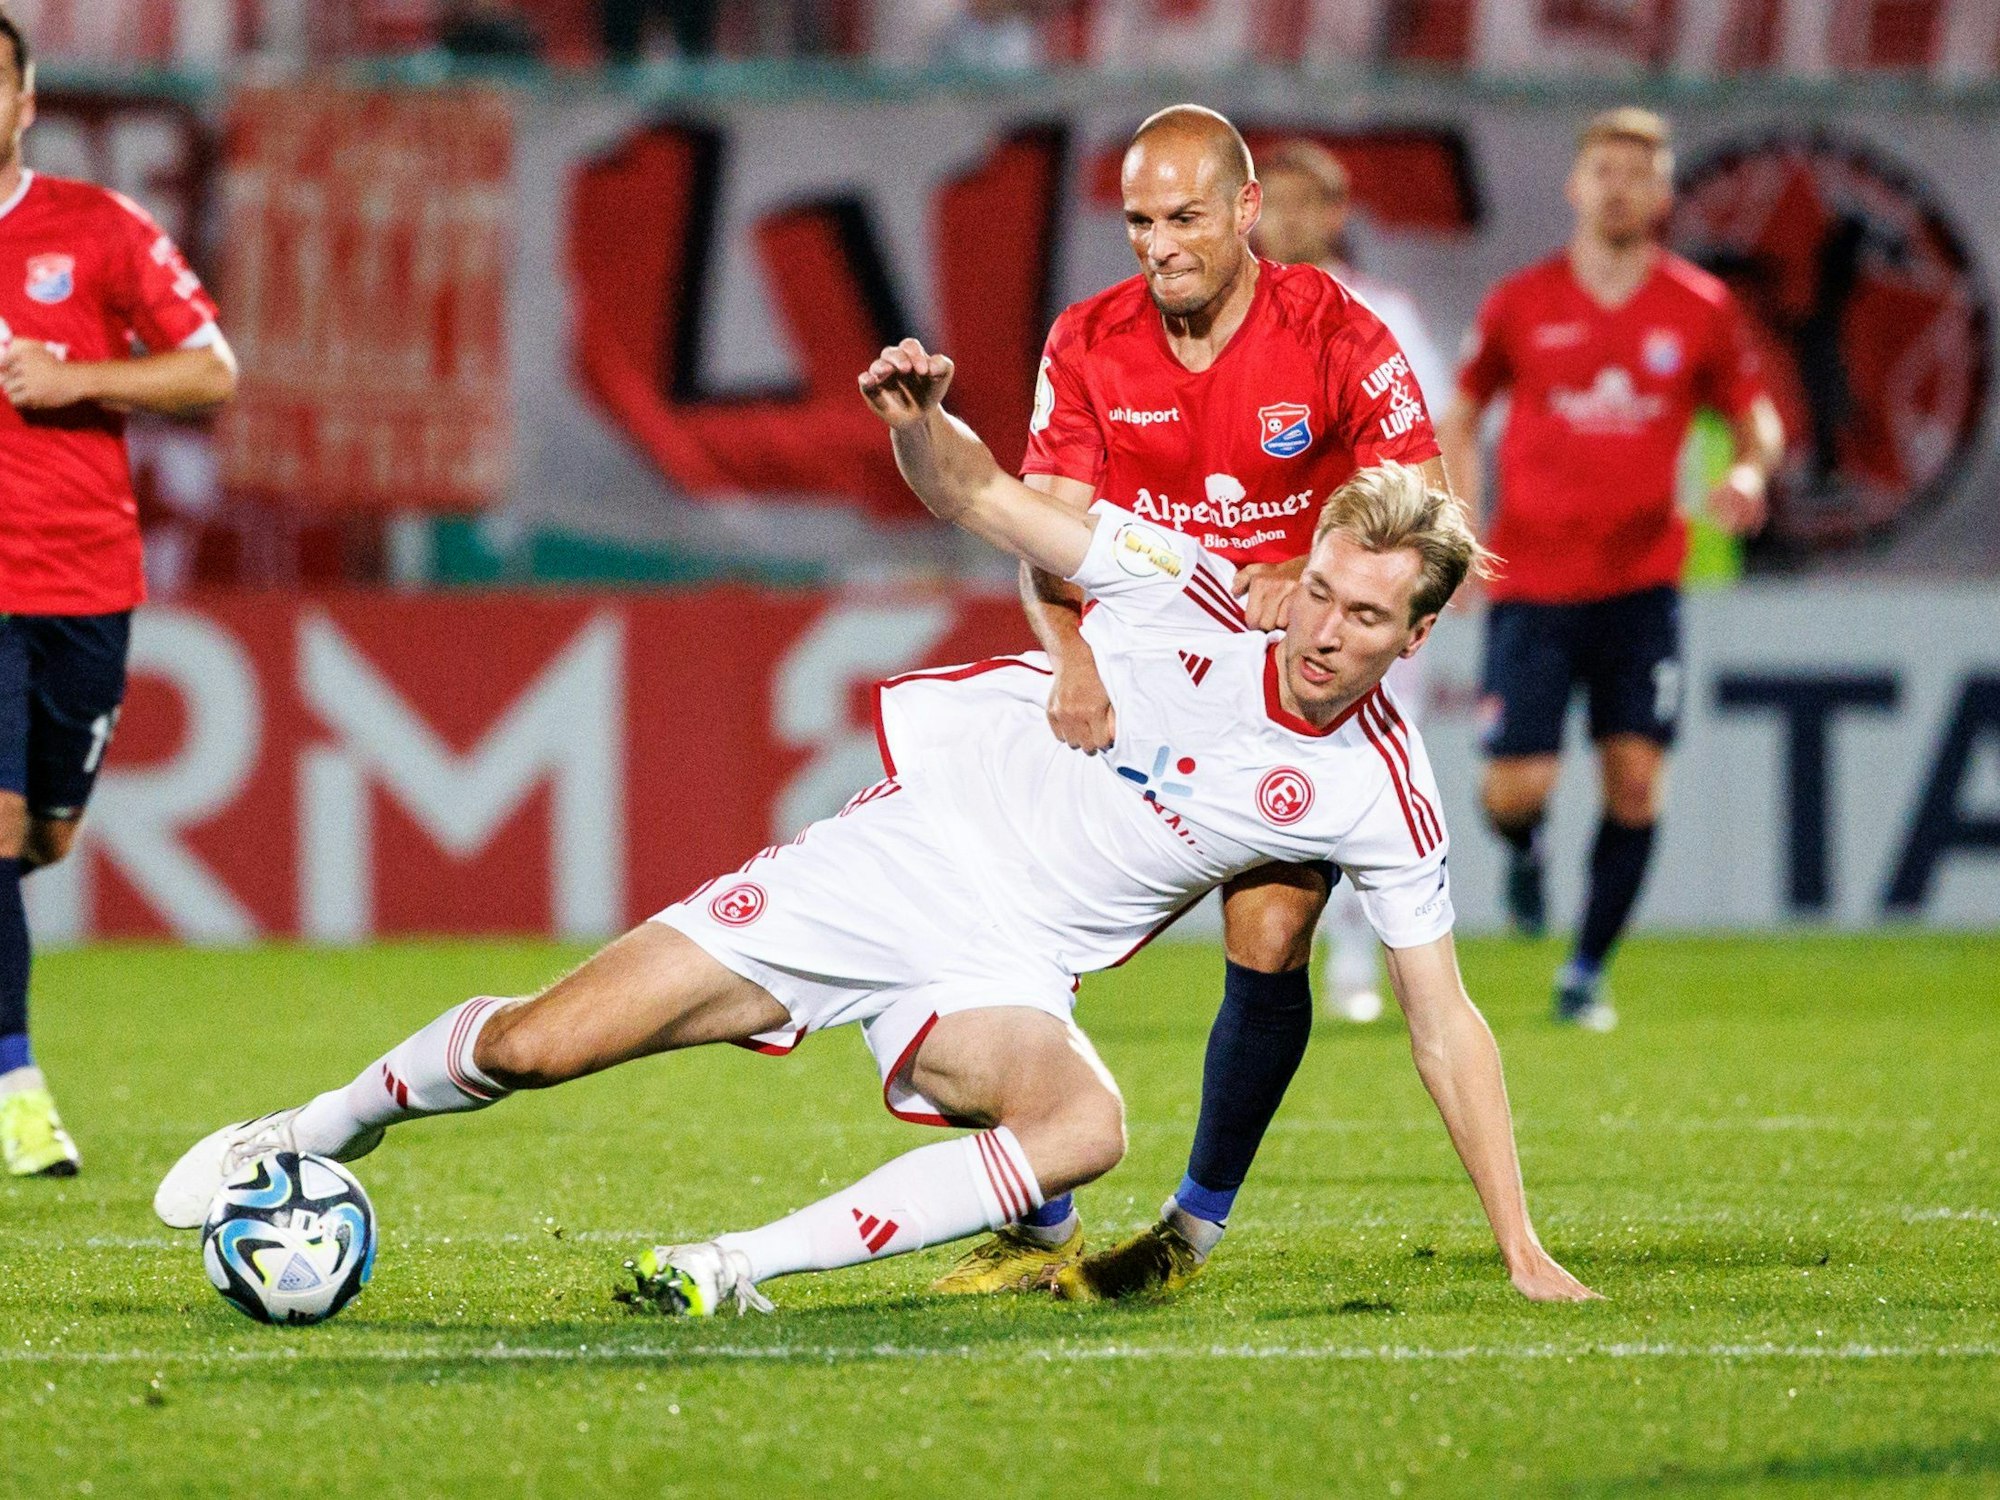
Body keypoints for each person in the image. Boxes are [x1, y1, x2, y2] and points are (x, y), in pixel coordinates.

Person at [155, 339, 1597, 1317]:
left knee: (1084, 1126)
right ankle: (309, 1130)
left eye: (1366, 618)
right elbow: (979, 494)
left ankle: (732, 1266)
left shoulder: (1379, 788)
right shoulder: (1192, 588)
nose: (1325, 633)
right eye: (1323, 592)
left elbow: (1444, 1024)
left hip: (1009, 970)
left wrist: (1519, 1244)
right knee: (539, 1047)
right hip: (898, 860)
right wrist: (918, 421)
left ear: (1414, 638)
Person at [936, 103, 1452, 1303]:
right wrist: (1070, 659)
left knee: (1267, 935)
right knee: (982, 922)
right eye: (1136, 221)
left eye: (1181, 217)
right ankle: (1039, 1216)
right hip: (1137, 680)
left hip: (1281, 684)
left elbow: (1425, 506)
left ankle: (1189, 1229)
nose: (1157, 244)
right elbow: (1042, 529)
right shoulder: (1088, 340)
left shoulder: (1336, 330)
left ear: (1244, 210)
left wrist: (1310, 565)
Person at [1435, 108, 1783, 1029]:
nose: (1620, 188)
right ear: (1575, 185)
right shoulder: (1521, 301)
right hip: (1533, 584)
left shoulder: (1699, 306)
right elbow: (1459, 416)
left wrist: (1749, 472)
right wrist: (1460, 530)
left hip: (1642, 585)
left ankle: (1585, 970)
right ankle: (1525, 848)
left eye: (1639, 172)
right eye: (1605, 170)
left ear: (1664, 193)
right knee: (1518, 789)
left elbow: (1756, 415)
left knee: (1634, 781)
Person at [0, 7, 238, 1176]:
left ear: (25, 102)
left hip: (85, 576)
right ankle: (16, 1090)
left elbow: (211, 372)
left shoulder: (97, 228)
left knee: (42, 836)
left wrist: (75, 378)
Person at [1253, 137, 1450, 1026]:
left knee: (1368, 758)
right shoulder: (1232, 316)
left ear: (1336, 214)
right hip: (1258, 574)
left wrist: (1435, 566)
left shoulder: (1384, 314)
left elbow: (1430, 446)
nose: (1285, 218)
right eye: (1272, 199)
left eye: (1304, 201)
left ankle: (1361, 955)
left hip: (1362, 579)